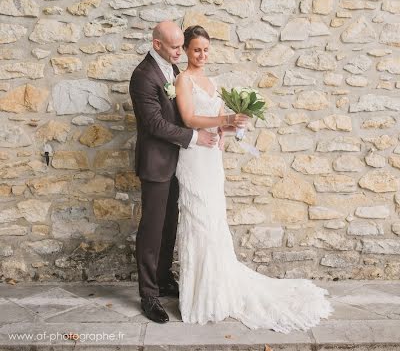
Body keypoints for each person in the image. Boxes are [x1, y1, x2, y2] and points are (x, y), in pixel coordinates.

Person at [174, 24, 332, 333]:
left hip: (212, 159)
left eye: (206, 49)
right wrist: (225, 119)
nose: (202, 55)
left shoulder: (211, 81)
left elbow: (218, 125)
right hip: (193, 159)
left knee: (216, 222)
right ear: (186, 51)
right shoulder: (183, 80)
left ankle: (217, 291)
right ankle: (199, 298)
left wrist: (234, 126)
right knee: (199, 221)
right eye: (196, 49)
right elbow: (190, 119)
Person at [129, 21, 245, 324]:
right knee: (152, 230)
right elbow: (154, 124)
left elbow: (186, 113)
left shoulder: (174, 71)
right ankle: (149, 296)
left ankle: (165, 278)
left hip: (180, 162)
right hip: (156, 164)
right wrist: (195, 138)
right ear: (157, 45)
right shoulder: (143, 76)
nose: (180, 52)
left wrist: (221, 127)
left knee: (170, 226)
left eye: (182, 45)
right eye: (175, 47)